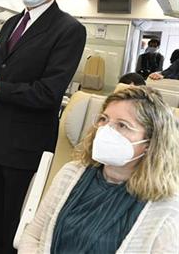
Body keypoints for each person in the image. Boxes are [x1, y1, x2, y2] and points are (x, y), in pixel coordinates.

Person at [0, 0, 86, 254]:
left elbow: (48, 92)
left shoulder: (69, 30)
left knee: (17, 225)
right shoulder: (10, 24)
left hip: (26, 147)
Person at [19, 86, 179, 253]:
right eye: (104, 119)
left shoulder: (167, 209)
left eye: (122, 125)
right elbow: (32, 236)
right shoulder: (71, 174)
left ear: (149, 144)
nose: (105, 130)